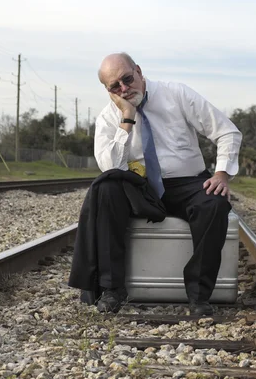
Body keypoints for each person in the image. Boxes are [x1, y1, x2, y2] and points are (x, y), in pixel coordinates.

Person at [69, 52, 242, 315]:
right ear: (108, 91)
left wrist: (221, 174)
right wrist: (127, 117)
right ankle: (113, 289)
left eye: (127, 79)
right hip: (141, 188)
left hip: (188, 183)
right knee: (105, 187)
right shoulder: (107, 117)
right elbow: (111, 167)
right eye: (115, 86)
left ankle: (198, 296)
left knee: (215, 203)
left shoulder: (177, 94)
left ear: (138, 71)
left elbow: (227, 131)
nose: (125, 89)